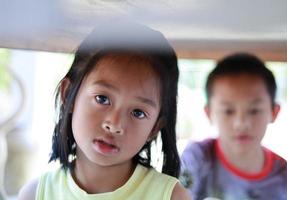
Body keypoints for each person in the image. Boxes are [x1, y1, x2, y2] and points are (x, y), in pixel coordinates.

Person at [18, 21, 191, 200]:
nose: (115, 124)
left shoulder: (172, 197)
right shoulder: (36, 194)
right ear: (69, 94)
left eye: (138, 112)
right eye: (102, 99)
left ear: (154, 128)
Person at [180, 53, 287, 200]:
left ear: (274, 112)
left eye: (254, 111)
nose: (241, 123)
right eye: (228, 111)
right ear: (209, 113)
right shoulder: (197, 159)